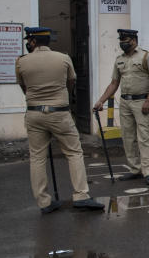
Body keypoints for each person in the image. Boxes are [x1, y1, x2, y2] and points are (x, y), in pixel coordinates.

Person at [16, 26, 99, 214]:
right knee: (73, 152)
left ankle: (44, 202)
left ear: (34, 41)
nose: (28, 44)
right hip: (59, 112)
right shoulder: (63, 58)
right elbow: (71, 82)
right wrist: (62, 97)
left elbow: (24, 87)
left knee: (37, 157)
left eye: (29, 41)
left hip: (34, 113)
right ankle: (81, 195)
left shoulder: (21, 62)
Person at [93, 29, 149, 185]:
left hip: (141, 101)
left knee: (144, 136)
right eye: (121, 40)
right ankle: (134, 169)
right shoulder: (119, 59)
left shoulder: (146, 55)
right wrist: (101, 101)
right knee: (128, 137)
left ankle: (148, 171)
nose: (123, 42)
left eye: (126, 40)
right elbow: (114, 83)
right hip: (125, 102)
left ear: (134, 40)